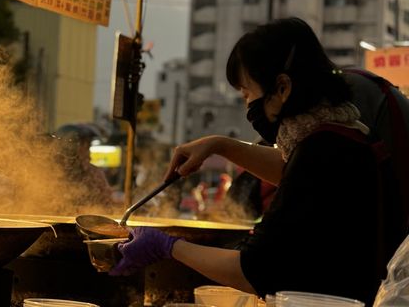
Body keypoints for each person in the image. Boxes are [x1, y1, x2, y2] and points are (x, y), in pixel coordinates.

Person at [110, 18, 405, 306]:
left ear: (282, 88)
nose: (246, 104)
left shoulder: (323, 149)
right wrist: (220, 145)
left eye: (247, 92)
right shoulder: (343, 134)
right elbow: (291, 171)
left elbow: (252, 270)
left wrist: (166, 247)